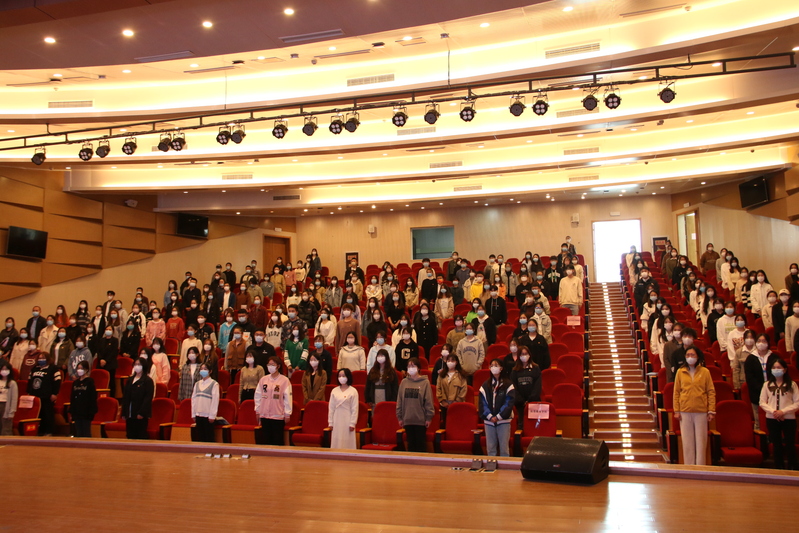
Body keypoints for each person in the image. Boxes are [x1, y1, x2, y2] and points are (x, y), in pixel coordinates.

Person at [673, 347, 716, 465]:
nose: (690, 357)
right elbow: (676, 392)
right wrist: (677, 410)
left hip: (701, 411)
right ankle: (689, 467)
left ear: (698, 357)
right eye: (688, 355)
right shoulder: (680, 372)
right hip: (685, 411)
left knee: (701, 442)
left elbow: (711, 391)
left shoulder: (705, 372)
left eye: (692, 355)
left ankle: (700, 468)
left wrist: (711, 410)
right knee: (687, 442)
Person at [759, 357, 799, 470]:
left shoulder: (792, 384)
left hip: (788, 418)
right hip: (772, 418)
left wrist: (783, 412)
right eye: (774, 368)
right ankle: (778, 467)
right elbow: (762, 402)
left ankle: (792, 467)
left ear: (785, 369)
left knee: (790, 444)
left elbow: (797, 402)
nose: (776, 369)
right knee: (776, 444)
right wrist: (774, 412)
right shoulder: (767, 384)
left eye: (779, 367)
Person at [396, 358, 435, 453]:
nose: (411, 368)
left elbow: (428, 401)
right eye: (409, 366)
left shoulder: (425, 382)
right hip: (407, 419)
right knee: (410, 446)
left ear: (418, 368)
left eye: (413, 366)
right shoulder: (404, 382)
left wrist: (429, 417)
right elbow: (399, 400)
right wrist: (399, 417)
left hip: (420, 420)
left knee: (421, 446)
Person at [480, 358, 516, 457]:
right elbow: (483, 403)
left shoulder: (508, 384)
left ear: (501, 368)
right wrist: (490, 416)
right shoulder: (485, 385)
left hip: (503, 420)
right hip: (489, 421)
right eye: (491, 366)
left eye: (496, 365)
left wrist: (499, 416)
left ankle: (505, 466)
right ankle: (491, 465)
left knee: (504, 449)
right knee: (491, 449)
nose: (493, 368)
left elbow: (509, 402)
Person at [254, 356, 293, 446]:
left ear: (278, 366)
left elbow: (288, 398)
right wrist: (257, 410)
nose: (270, 366)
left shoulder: (285, 380)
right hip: (264, 414)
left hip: (277, 415)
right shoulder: (263, 379)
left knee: (277, 440)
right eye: (269, 364)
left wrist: (287, 413)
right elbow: (258, 396)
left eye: (273, 364)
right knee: (266, 440)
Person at [743, 333, 778, 430]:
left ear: (768, 343)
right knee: (759, 421)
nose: (761, 343)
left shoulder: (774, 357)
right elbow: (750, 378)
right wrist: (762, 389)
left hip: (773, 393)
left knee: (773, 421)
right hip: (757, 393)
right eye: (759, 341)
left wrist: (770, 389)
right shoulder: (751, 359)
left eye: (764, 341)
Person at [121, 357, 155, 440]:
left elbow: (148, 398)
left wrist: (142, 412)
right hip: (130, 413)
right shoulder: (130, 380)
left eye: (139, 364)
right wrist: (124, 412)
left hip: (140, 414)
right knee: (130, 435)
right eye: (135, 364)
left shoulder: (147, 381)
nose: (137, 366)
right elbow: (125, 397)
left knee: (140, 435)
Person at [510, 346, 542, 429]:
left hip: (534, 403)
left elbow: (537, 386)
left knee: (534, 425)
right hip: (520, 404)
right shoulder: (515, 370)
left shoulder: (535, 368)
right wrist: (521, 401)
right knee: (522, 424)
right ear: (519, 356)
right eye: (522, 354)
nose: (524, 356)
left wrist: (530, 400)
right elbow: (513, 387)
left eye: (526, 353)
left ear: (529, 355)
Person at [328, 368, 359, 449]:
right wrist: (330, 422)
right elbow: (331, 408)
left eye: (343, 376)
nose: (341, 378)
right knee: (336, 440)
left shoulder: (353, 391)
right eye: (339, 376)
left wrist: (352, 423)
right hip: (337, 418)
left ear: (348, 377)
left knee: (347, 440)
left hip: (347, 419)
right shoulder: (334, 390)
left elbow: (355, 409)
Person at [436, 353, 467, 428]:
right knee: (446, 424)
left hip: (457, 404)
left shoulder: (461, 375)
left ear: (456, 362)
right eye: (448, 360)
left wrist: (456, 401)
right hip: (444, 404)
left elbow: (464, 389)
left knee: (457, 425)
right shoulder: (442, 374)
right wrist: (442, 401)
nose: (450, 362)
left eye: (452, 361)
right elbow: (438, 388)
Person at [191, 363, 220, 443]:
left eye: (205, 369)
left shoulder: (214, 384)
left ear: (210, 371)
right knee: (200, 437)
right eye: (201, 369)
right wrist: (193, 414)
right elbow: (193, 400)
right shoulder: (197, 384)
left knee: (209, 437)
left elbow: (215, 401)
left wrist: (212, 415)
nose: (203, 371)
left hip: (208, 415)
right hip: (198, 414)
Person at [69, 360, 97, 438]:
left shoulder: (90, 382)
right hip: (77, 411)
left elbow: (92, 397)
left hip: (86, 411)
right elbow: (72, 397)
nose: (79, 370)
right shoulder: (75, 383)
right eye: (78, 368)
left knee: (86, 432)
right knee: (78, 432)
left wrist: (91, 411)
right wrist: (72, 410)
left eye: (81, 368)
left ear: (86, 370)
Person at [96, 326, 119, 397]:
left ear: (112, 331)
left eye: (110, 329)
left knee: (111, 382)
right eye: (107, 329)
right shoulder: (101, 340)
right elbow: (99, 351)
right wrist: (101, 359)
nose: (108, 330)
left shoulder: (115, 340)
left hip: (110, 364)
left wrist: (106, 361)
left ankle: (112, 397)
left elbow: (114, 352)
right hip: (101, 363)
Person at [0, 360, 19, 436]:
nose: (4, 371)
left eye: (6, 369)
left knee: (6, 429)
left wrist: (11, 413)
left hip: (6, 406)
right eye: (2, 369)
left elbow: (14, 399)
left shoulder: (12, 383)